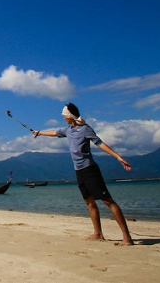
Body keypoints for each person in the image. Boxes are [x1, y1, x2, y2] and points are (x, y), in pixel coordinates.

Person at [33, 102, 134, 246]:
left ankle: (127, 237)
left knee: (107, 201)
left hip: (90, 169)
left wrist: (118, 157)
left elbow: (100, 143)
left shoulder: (85, 129)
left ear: (70, 116)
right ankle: (98, 233)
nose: (63, 118)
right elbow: (55, 133)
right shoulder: (68, 130)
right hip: (78, 170)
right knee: (89, 201)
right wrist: (40, 133)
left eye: (64, 116)